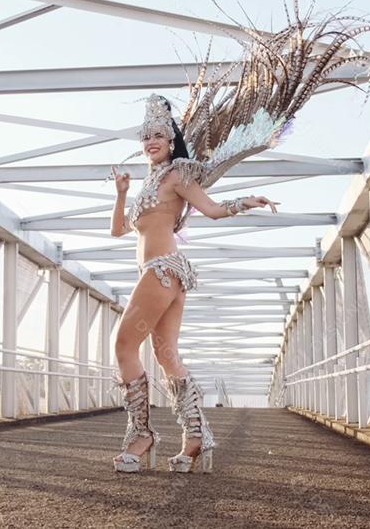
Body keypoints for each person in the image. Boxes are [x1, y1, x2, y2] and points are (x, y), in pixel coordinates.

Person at [109, 95, 277, 474]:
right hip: (158, 273)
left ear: (171, 141)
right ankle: (195, 437)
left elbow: (213, 209)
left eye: (158, 136)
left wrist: (246, 202)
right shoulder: (148, 183)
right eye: (145, 137)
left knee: (122, 344)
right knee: (166, 354)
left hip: (162, 269)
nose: (151, 142)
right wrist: (120, 193)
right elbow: (118, 230)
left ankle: (142, 435)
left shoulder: (177, 175)